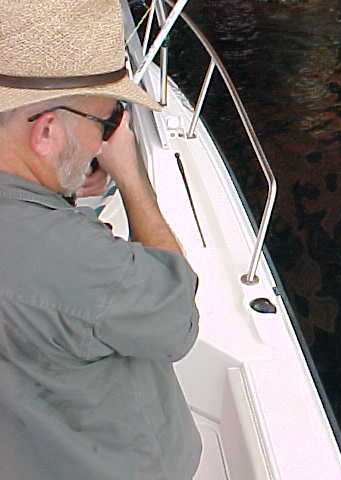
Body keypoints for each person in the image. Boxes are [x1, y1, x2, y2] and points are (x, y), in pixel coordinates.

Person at [0, 1, 202, 479]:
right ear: (47, 131)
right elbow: (178, 320)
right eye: (108, 123)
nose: (105, 144)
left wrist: (60, 178)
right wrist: (131, 177)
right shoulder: (74, 261)